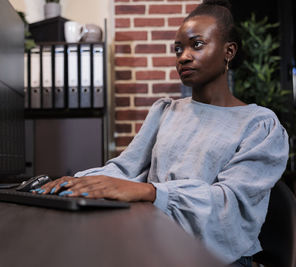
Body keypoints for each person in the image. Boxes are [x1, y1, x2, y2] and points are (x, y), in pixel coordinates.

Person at [36, 0, 289, 266]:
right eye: (178, 49)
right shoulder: (165, 111)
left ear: (229, 51)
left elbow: (229, 204)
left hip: (218, 258)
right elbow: (124, 169)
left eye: (197, 45)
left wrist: (152, 192)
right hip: (157, 240)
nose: (184, 56)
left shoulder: (260, 125)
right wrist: (73, 183)